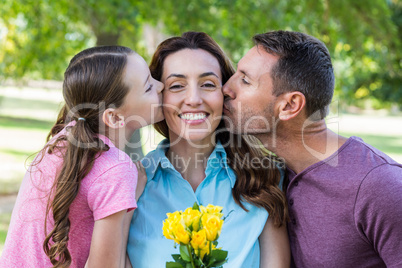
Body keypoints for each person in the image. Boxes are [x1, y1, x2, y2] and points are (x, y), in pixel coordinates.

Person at [222, 30, 402, 267]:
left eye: (245, 80)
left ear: (289, 105)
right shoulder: (270, 175)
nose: (226, 88)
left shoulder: (379, 186)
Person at [127, 32, 290, 268]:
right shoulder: (130, 184)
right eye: (177, 86)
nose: (193, 99)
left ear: (225, 94)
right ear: (158, 97)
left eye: (207, 84)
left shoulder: (265, 179)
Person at [0, 46, 164, 267]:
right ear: (114, 118)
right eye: (148, 87)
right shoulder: (115, 168)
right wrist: (130, 198)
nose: (162, 86)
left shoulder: (61, 141)